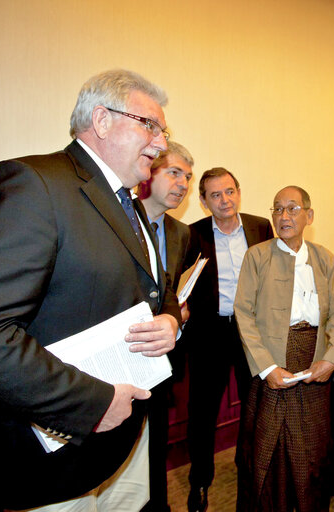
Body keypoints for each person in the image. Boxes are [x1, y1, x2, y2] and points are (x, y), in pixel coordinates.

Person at [0, 69, 182, 511]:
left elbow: (154, 290)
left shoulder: (129, 203)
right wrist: (94, 402)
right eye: (150, 125)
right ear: (102, 120)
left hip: (119, 447)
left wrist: (170, 321)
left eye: (163, 130)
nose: (161, 143)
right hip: (48, 466)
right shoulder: (34, 185)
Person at [234, 185, 334, 512]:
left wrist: (331, 359)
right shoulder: (257, 256)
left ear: (309, 216)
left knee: (310, 451)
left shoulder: (324, 258)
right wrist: (267, 368)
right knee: (268, 448)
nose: (284, 216)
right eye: (277, 209)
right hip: (271, 366)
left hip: (315, 366)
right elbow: (243, 313)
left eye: (292, 208)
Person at [184, 167, 273, 512]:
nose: (225, 200)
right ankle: (200, 482)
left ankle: (247, 473)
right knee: (202, 413)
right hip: (209, 334)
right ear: (205, 202)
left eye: (229, 191)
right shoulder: (191, 235)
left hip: (252, 333)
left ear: (239, 191)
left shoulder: (260, 228)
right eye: (215, 195)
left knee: (254, 411)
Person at [137, 141, 194, 512]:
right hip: (121, 353)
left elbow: (168, 289)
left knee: (156, 443)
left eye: (187, 177)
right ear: (149, 171)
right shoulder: (119, 219)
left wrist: (178, 313)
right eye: (175, 173)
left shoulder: (180, 233)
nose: (183, 184)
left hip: (161, 357)